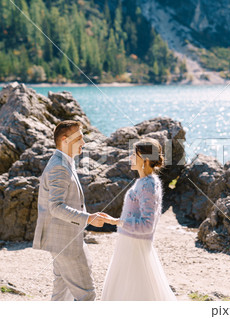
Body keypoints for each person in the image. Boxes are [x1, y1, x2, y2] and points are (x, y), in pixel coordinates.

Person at [33, 120, 114, 301]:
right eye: (79, 138)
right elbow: (56, 207)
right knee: (87, 295)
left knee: (62, 295)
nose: (83, 143)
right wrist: (89, 218)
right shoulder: (60, 167)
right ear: (65, 140)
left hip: (63, 240)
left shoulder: (64, 162)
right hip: (66, 243)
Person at [101, 137, 177, 301]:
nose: (130, 158)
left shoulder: (147, 184)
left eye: (134, 154)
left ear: (146, 159)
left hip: (135, 246)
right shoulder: (144, 182)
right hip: (129, 243)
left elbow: (147, 225)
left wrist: (116, 222)